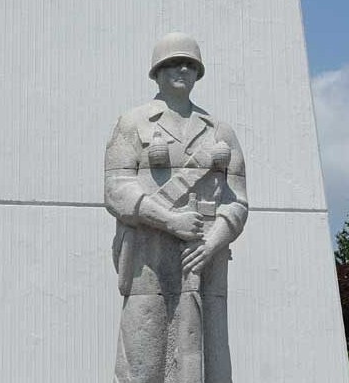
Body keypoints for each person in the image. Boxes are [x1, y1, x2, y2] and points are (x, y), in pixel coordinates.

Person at [105, 32, 248, 383]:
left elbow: (238, 201)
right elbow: (116, 188)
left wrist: (212, 243)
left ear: (198, 72)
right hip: (147, 257)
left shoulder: (220, 132)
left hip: (204, 255)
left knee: (205, 360)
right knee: (141, 357)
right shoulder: (133, 122)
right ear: (156, 72)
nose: (181, 69)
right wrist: (170, 221)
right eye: (171, 63)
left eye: (188, 63)